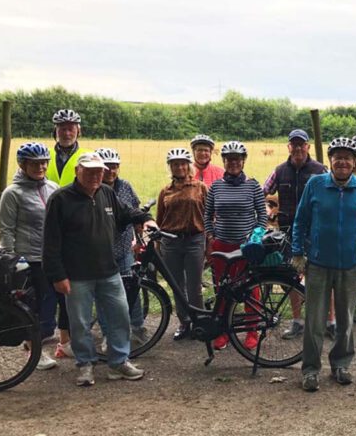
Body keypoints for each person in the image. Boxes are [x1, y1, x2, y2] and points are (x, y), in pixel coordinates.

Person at [43, 153, 156, 386]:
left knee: (119, 317)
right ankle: (85, 365)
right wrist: (57, 275)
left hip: (109, 271)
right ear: (77, 171)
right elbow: (50, 243)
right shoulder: (60, 199)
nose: (95, 175)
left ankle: (119, 363)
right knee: (80, 324)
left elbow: (126, 213)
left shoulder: (106, 193)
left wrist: (145, 218)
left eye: (99, 171)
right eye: (90, 171)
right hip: (76, 276)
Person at [291, 137, 356, 392]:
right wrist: (298, 253)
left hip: (350, 264)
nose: (342, 162)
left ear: (354, 162)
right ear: (330, 160)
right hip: (318, 263)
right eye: (337, 157)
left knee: (346, 320)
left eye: (347, 158)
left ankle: (341, 364)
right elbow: (300, 220)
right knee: (314, 322)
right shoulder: (316, 184)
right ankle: (310, 370)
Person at [0, 142, 59, 370]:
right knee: (34, 306)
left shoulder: (52, 187)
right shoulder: (13, 193)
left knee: (51, 302)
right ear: (22, 164)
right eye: (35, 163)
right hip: (28, 259)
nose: (41, 167)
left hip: (51, 257)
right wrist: (13, 260)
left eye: (44, 162)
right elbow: (6, 230)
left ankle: (42, 340)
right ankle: (35, 349)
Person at [204, 141, 268, 350]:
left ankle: (252, 331)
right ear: (224, 161)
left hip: (245, 246)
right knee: (223, 289)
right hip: (221, 245)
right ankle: (222, 331)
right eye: (229, 160)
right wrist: (211, 236)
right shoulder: (216, 186)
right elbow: (207, 214)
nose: (233, 163)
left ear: (243, 161)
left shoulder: (253, 185)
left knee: (251, 289)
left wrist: (255, 237)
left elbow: (262, 217)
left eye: (237, 160)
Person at [264, 129, 327, 339]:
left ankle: (327, 321)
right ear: (289, 147)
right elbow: (263, 191)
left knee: (318, 276)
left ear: (308, 147)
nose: (298, 148)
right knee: (291, 277)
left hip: (315, 231)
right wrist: (265, 209)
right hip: (288, 231)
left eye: (302, 144)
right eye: (294, 144)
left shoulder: (320, 170)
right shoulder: (280, 170)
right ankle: (298, 321)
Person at [46, 109, 92, 359]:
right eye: (62, 127)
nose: (66, 131)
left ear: (78, 130)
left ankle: (69, 338)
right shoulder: (44, 156)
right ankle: (59, 337)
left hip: (77, 228)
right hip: (50, 226)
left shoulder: (86, 157)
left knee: (73, 287)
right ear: (55, 131)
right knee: (52, 285)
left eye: (71, 127)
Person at [95, 148, 147, 349]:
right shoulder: (93, 187)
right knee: (103, 296)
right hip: (100, 254)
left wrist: (139, 241)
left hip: (124, 249)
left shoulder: (125, 186)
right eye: (107, 167)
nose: (111, 171)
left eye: (115, 167)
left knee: (131, 290)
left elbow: (135, 214)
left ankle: (138, 327)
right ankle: (108, 334)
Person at [156, 148, 208, 341]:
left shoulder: (200, 187)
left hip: (194, 239)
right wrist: (159, 243)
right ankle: (184, 322)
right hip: (171, 241)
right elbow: (160, 218)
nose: (179, 167)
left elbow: (209, 215)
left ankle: (200, 322)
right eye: (175, 164)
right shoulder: (165, 191)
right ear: (171, 167)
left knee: (195, 285)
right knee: (177, 285)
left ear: (188, 165)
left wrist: (208, 240)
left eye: (183, 163)